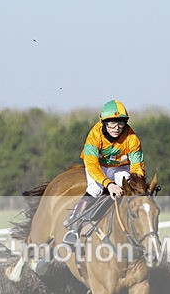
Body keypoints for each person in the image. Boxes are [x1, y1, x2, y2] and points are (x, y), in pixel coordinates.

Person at [62, 100, 145, 244]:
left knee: (130, 187)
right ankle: (74, 224)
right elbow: (92, 165)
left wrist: (138, 185)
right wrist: (109, 184)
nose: (117, 128)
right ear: (104, 123)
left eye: (120, 123)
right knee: (96, 188)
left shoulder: (132, 139)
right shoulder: (94, 135)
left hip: (119, 168)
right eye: (112, 123)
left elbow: (137, 167)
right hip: (98, 167)